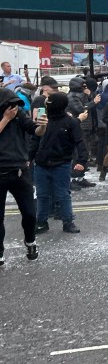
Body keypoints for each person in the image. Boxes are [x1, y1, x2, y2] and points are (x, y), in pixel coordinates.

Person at [0, 88, 45, 264]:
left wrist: (43, 125)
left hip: (20, 171)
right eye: (10, 105)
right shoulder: (9, 116)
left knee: (29, 213)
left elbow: (35, 131)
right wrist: (5, 119)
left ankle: (30, 241)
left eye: (16, 105)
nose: (14, 108)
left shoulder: (19, 115)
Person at [33, 92, 86, 235]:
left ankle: (68, 222)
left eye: (49, 101)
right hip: (41, 163)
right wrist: (28, 158)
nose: (46, 103)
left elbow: (80, 142)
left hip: (61, 163)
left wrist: (82, 161)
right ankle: (41, 222)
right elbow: (35, 140)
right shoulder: (43, 120)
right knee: (42, 195)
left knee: (63, 194)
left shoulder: (70, 122)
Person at [65, 76, 97, 189]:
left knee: (84, 152)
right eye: (83, 86)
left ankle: (80, 177)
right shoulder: (72, 96)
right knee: (76, 154)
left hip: (85, 126)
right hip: (77, 127)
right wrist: (93, 102)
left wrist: (90, 97)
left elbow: (88, 104)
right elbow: (81, 109)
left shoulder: (81, 95)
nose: (85, 88)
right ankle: (73, 178)